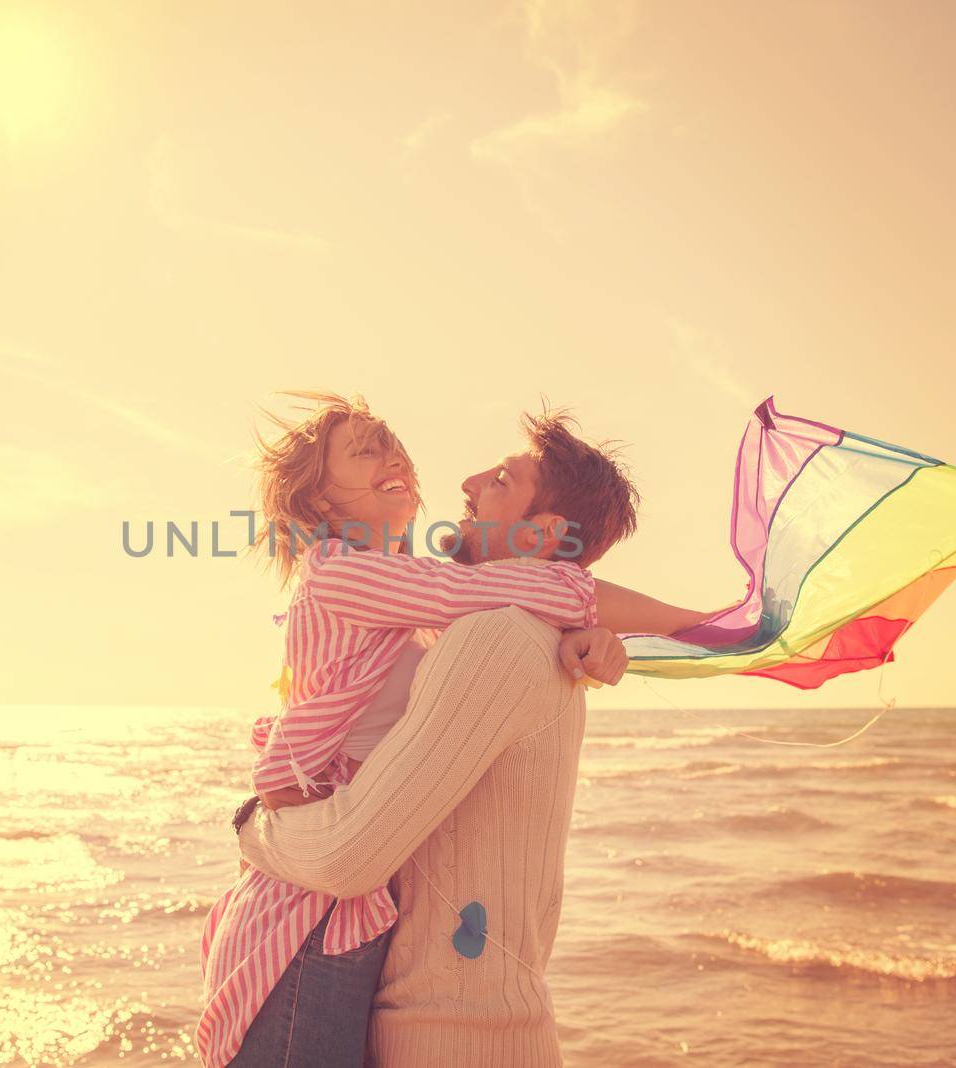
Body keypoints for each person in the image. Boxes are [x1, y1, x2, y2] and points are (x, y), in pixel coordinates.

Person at [201, 392, 717, 1066]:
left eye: (391, 443)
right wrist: (693, 625)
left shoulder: (443, 610)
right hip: (300, 911)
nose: (400, 459)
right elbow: (488, 593)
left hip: (339, 903)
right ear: (323, 505)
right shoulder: (348, 574)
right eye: (365, 450)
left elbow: (497, 599)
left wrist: (599, 635)